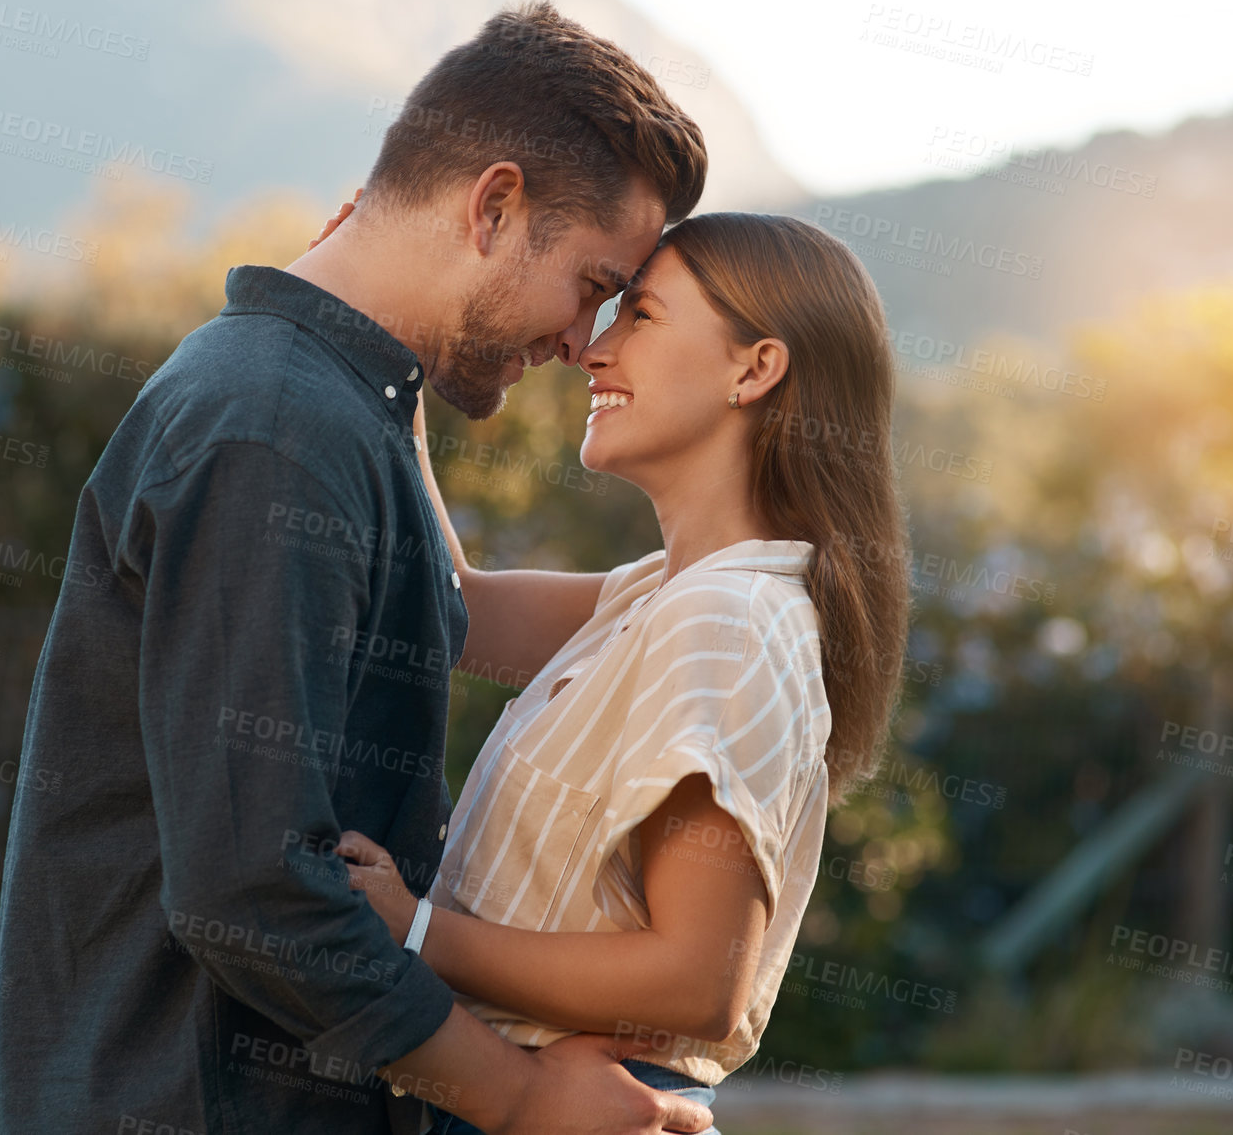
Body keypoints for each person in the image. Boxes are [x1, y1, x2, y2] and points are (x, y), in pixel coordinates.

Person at [0, 0, 720, 1135]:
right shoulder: (275, 430)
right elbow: (253, 894)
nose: (585, 342)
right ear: (495, 205)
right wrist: (522, 1102)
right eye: (590, 283)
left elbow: (463, 613)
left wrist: (753, 582)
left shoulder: (336, 406)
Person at [334, 212, 911, 1134]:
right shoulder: (668, 592)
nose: (592, 351)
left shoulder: (727, 620)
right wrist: (384, 341)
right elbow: (451, 607)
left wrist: (415, 930)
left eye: (640, 315)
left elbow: (696, 978)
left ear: (754, 368)